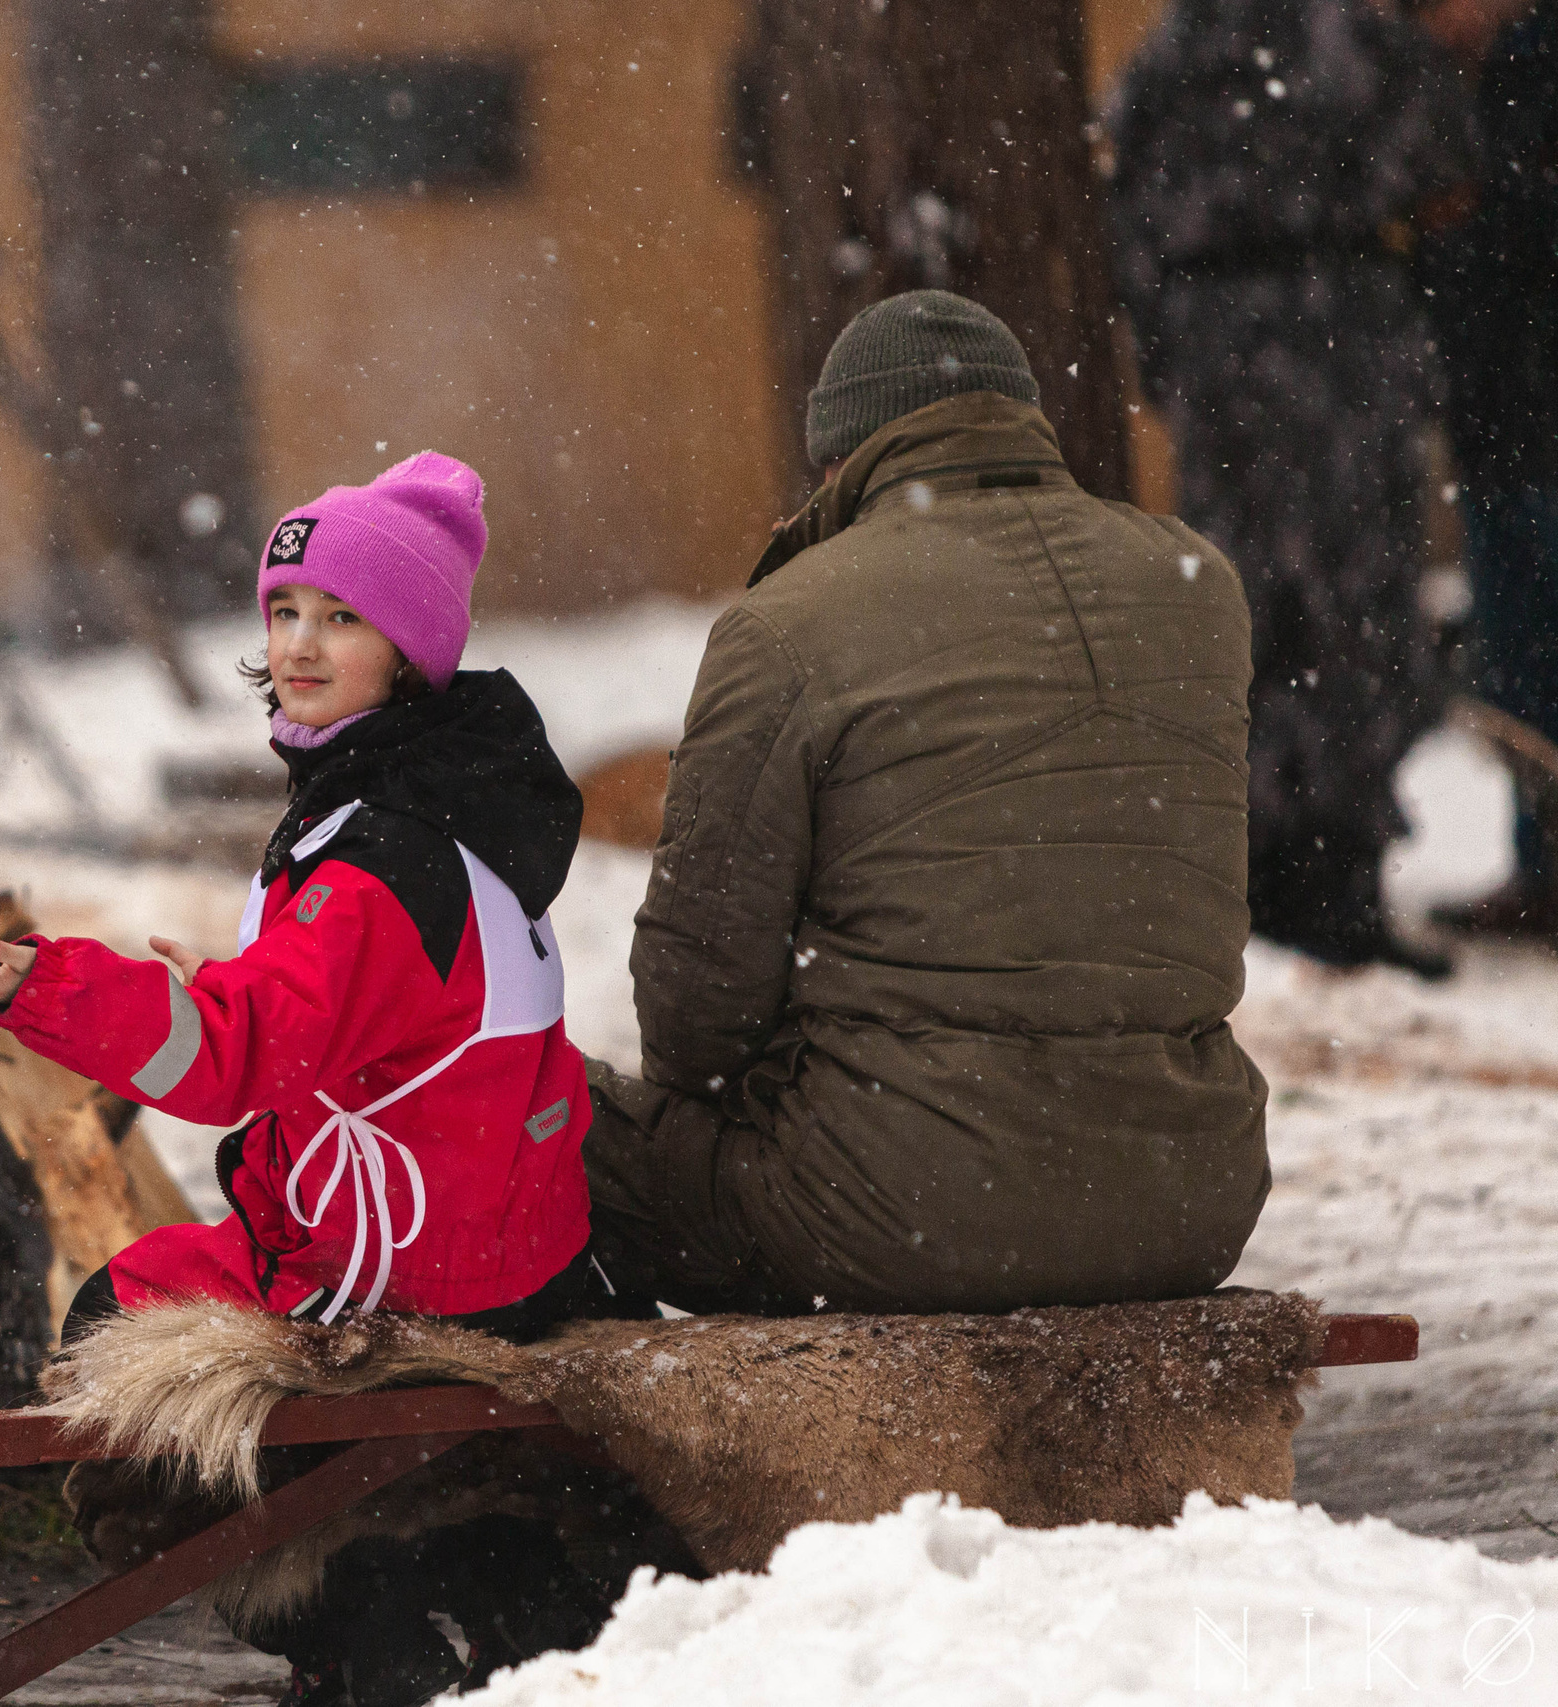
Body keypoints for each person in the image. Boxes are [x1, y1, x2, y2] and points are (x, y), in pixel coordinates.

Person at [0, 452, 623, 1705]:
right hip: (500, 1243)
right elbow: (383, 1016)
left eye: (343, 618)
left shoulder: (379, 852)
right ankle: (473, 1585)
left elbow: (232, 1057)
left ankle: (352, 1624)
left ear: (412, 649)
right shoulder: (444, 802)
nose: (299, 644)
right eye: (284, 611)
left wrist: (45, 987)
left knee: (115, 1312)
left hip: (407, 1275)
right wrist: (257, 983)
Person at [585, 291, 1273, 1321]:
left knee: (534, 1123)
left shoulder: (790, 622)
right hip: (1191, 1203)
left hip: (898, 1224)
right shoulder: (1196, 585)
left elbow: (693, 1014)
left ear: (838, 459)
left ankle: (570, 1478)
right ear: (1024, 422)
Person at [1103, 0, 1481, 974]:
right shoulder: (1355, 33)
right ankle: (1330, 874)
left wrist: (1171, 339)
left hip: (1224, 347)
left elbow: (1123, 197)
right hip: (1338, 340)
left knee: (1239, 612)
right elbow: (1441, 168)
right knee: (1356, 610)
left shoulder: (1178, 47)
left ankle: (1257, 857)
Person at [1421, 0, 1558, 939]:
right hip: (1502, 421)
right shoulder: (1484, 75)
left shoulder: (1531, 66)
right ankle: (1538, 863)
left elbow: (1507, 229)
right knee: (1517, 660)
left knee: (1535, 649)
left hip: (1533, 412)